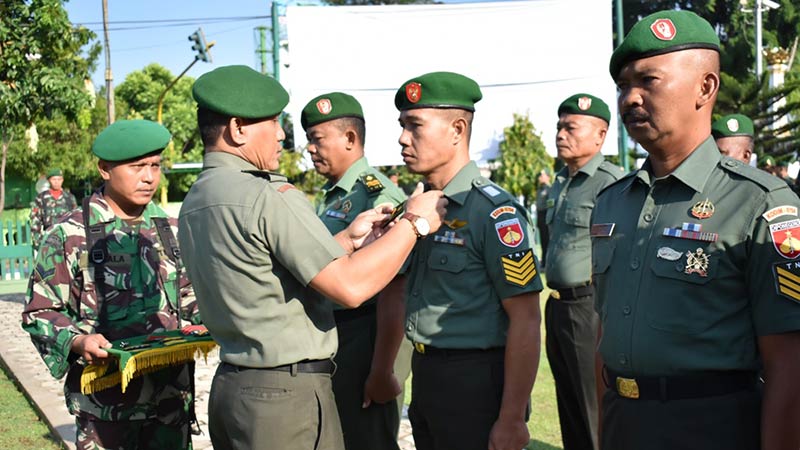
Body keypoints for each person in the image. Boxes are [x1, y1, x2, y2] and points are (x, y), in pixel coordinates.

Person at [178, 65, 446, 450]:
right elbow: (351, 287)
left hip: (235, 386)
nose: (283, 136)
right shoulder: (266, 195)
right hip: (283, 398)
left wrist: (345, 242)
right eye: (273, 123)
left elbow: (263, 272)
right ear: (238, 130)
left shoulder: (198, 198)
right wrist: (416, 223)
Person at [594, 10, 800, 450]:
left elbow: (790, 363)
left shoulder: (761, 202)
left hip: (712, 426)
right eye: (623, 85)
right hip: (621, 420)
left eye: (648, 81)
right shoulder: (613, 201)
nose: (630, 98)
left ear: (705, 88)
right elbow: (603, 332)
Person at [21, 120, 202, 449]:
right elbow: (40, 311)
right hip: (107, 413)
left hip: (170, 405)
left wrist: (206, 320)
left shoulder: (171, 229)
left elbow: (190, 296)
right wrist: (78, 341)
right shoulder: (69, 235)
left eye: (155, 166)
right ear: (105, 169)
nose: (148, 177)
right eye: (137, 167)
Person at [395, 71, 543, 450]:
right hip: (426, 376)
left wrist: (511, 418)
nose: (401, 138)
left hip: (475, 384)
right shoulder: (415, 208)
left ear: (457, 129)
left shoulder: (494, 213)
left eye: (414, 126)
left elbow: (526, 319)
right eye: (402, 126)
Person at [301, 91, 412, 450]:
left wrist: (383, 369)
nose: (310, 149)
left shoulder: (378, 197)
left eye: (317, 140)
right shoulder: (334, 194)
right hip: (339, 334)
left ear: (350, 138)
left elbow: (397, 289)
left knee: (368, 438)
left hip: (368, 333)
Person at [545, 93, 621, 450]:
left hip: (588, 307)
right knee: (569, 405)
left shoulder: (611, 182)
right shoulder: (560, 182)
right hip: (557, 305)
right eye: (559, 126)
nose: (561, 134)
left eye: (570, 127)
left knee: (593, 406)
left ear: (600, 135)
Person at [30, 168, 78, 249]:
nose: (56, 182)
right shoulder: (41, 198)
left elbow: (76, 218)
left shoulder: (69, 197)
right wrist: (38, 240)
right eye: (54, 179)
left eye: (59, 179)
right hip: (49, 238)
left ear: (62, 180)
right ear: (49, 180)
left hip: (68, 238)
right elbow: (35, 220)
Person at [534, 168, 551, 267]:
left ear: (548, 177)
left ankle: (547, 263)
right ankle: (543, 262)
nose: (540, 177)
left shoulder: (550, 189)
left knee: (547, 241)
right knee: (543, 242)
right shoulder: (539, 189)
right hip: (540, 216)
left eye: (542, 175)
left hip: (546, 216)